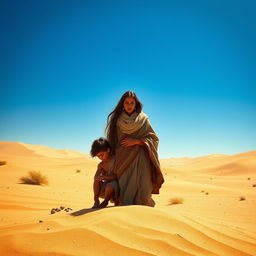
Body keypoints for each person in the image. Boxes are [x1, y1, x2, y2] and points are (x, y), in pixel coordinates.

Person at [105, 91, 164, 206]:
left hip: (142, 158)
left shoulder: (143, 119)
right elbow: (113, 141)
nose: (129, 105)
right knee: (126, 187)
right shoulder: (116, 120)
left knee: (144, 185)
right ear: (122, 104)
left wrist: (137, 141)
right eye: (126, 102)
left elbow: (154, 139)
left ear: (136, 104)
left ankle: (143, 214)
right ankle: (125, 214)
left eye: (132, 103)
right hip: (123, 159)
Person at [90, 137, 119, 208]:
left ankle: (105, 202)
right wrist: (98, 178)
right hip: (106, 185)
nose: (100, 157)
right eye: (98, 156)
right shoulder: (101, 165)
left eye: (102, 154)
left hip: (118, 185)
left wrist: (104, 177)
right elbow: (96, 177)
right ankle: (96, 200)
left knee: (110, 186)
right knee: (96, 181)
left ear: (108, 150)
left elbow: (118, 176)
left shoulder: (116, 160)